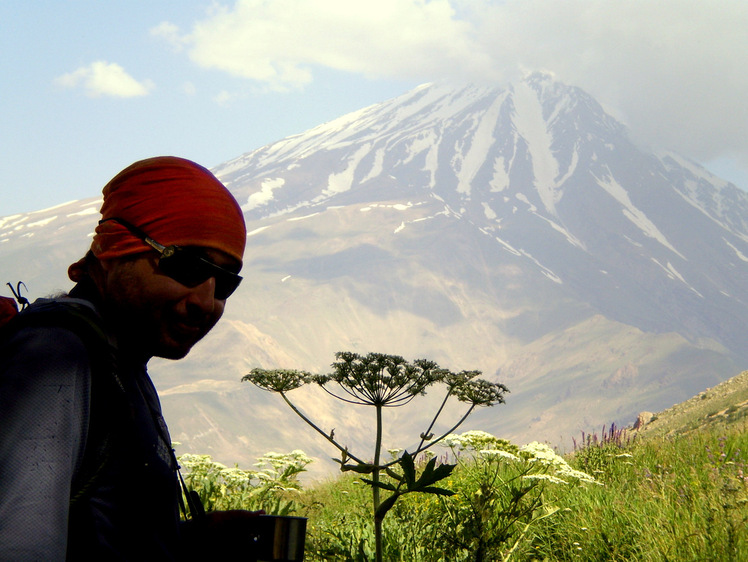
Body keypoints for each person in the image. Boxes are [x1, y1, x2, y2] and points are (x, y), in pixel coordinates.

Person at [0, 156, 250, 560]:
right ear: (114, 247)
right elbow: (18, 544)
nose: (206, 301)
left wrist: (190, 541)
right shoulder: (58, 355)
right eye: (185, 265)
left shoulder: (122, 359)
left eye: (225, 283)